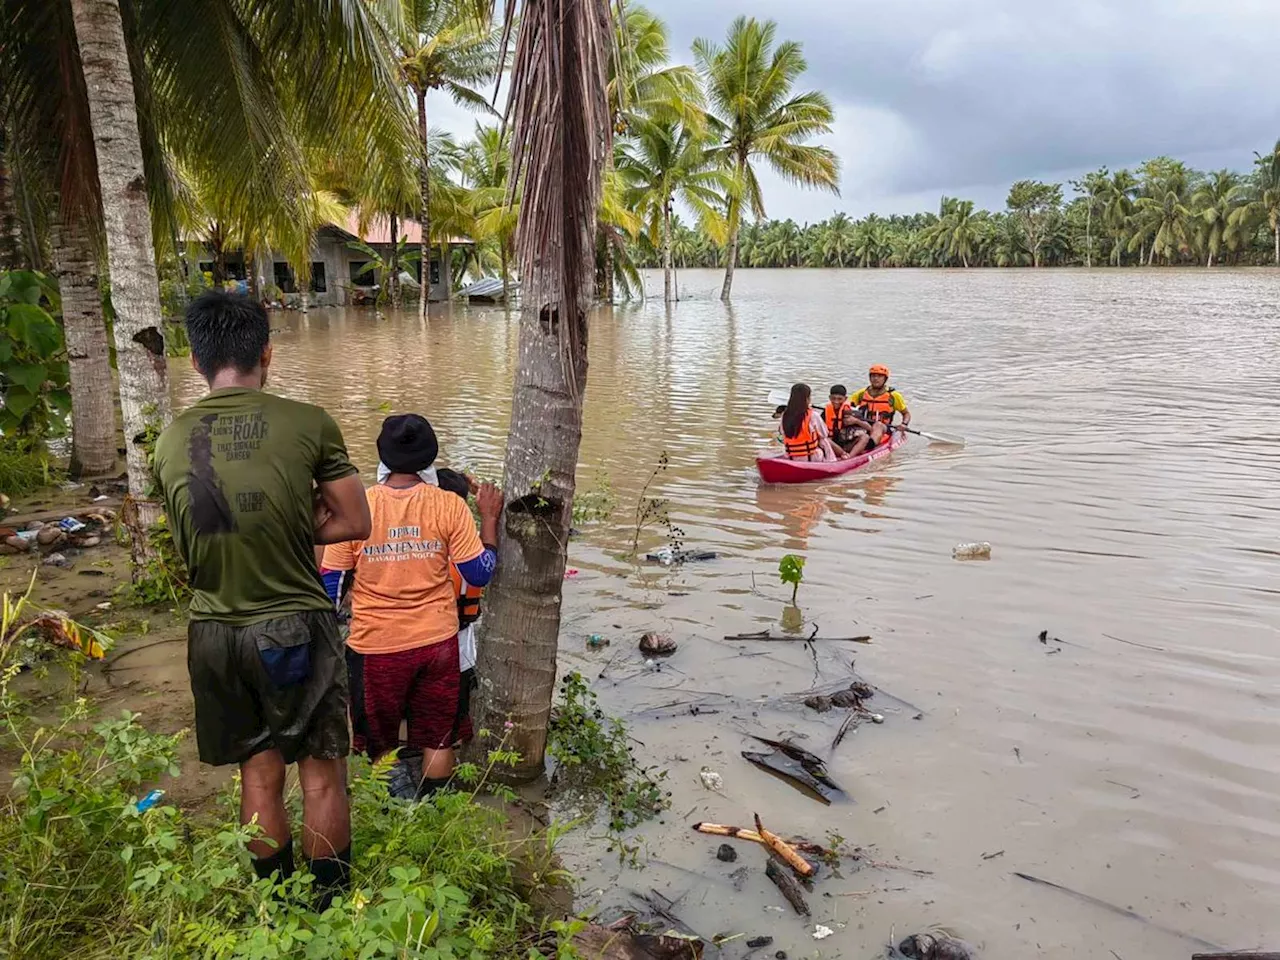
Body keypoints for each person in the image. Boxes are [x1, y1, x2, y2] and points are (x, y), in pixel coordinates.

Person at [152, 290, 371, 904]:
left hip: (213, 631)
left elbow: (194, 538)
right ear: (267, 353)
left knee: (258, 770)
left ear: (196, 361)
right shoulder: (307, 422)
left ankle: (274, 907)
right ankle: (326, 906)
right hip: (294, 626)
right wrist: (297, 524)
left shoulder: (169, 442)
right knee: (322, 776)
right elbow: (356, 522)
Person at [320, 415, 502, 800]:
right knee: (438, 737)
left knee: (380, 743)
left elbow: (330, 589)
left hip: (375, 648)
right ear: (429, 457)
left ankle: (396, 814)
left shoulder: (358, 507)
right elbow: (480, 573)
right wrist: (489, 522)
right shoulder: (449, 506)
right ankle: (437, 810)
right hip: (437, 643)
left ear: (382, 455)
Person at [850, 364, 910, 448]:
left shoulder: (893, 395)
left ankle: (869, 445)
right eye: (873, 376)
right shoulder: (862, 393)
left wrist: (904, 424)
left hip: (884, 428)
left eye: (879, 376)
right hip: (864, 425)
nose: (875, 378)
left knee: (878, 425)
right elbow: (846, 406)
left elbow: (906, 413)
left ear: (885, 379)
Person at [779, 383, 840, 461]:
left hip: (792, 457)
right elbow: (824, 433)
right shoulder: (813, 415)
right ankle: (832, 461)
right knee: (824, 440)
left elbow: (782, 432)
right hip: (811, 458)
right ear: (807, 399)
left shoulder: (785, 415)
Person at [823, 384, 871, 455]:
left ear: (845, 399)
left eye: (839, 399)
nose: (836, 401)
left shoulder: (852, 412)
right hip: (833, 446)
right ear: (830, 398)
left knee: (865, 437)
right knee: (825, 440)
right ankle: (841, 454)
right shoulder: (825, 413)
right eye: (833, 398)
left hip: (848, 445)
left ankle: (850, 457)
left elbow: (870, 428)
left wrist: (856, 421)